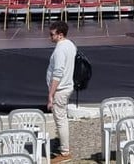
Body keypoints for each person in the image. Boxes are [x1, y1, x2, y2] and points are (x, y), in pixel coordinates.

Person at [46, 21, 77, 163]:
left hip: (60, 89)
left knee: (60, 121)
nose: (50, 37)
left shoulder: (60, 50)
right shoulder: (71, 45)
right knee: (62, 119)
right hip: (67, 86)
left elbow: (57, 73)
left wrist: (51, 95)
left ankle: (65, 153)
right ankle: (63, 146)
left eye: (52, 34)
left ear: (60, 35)